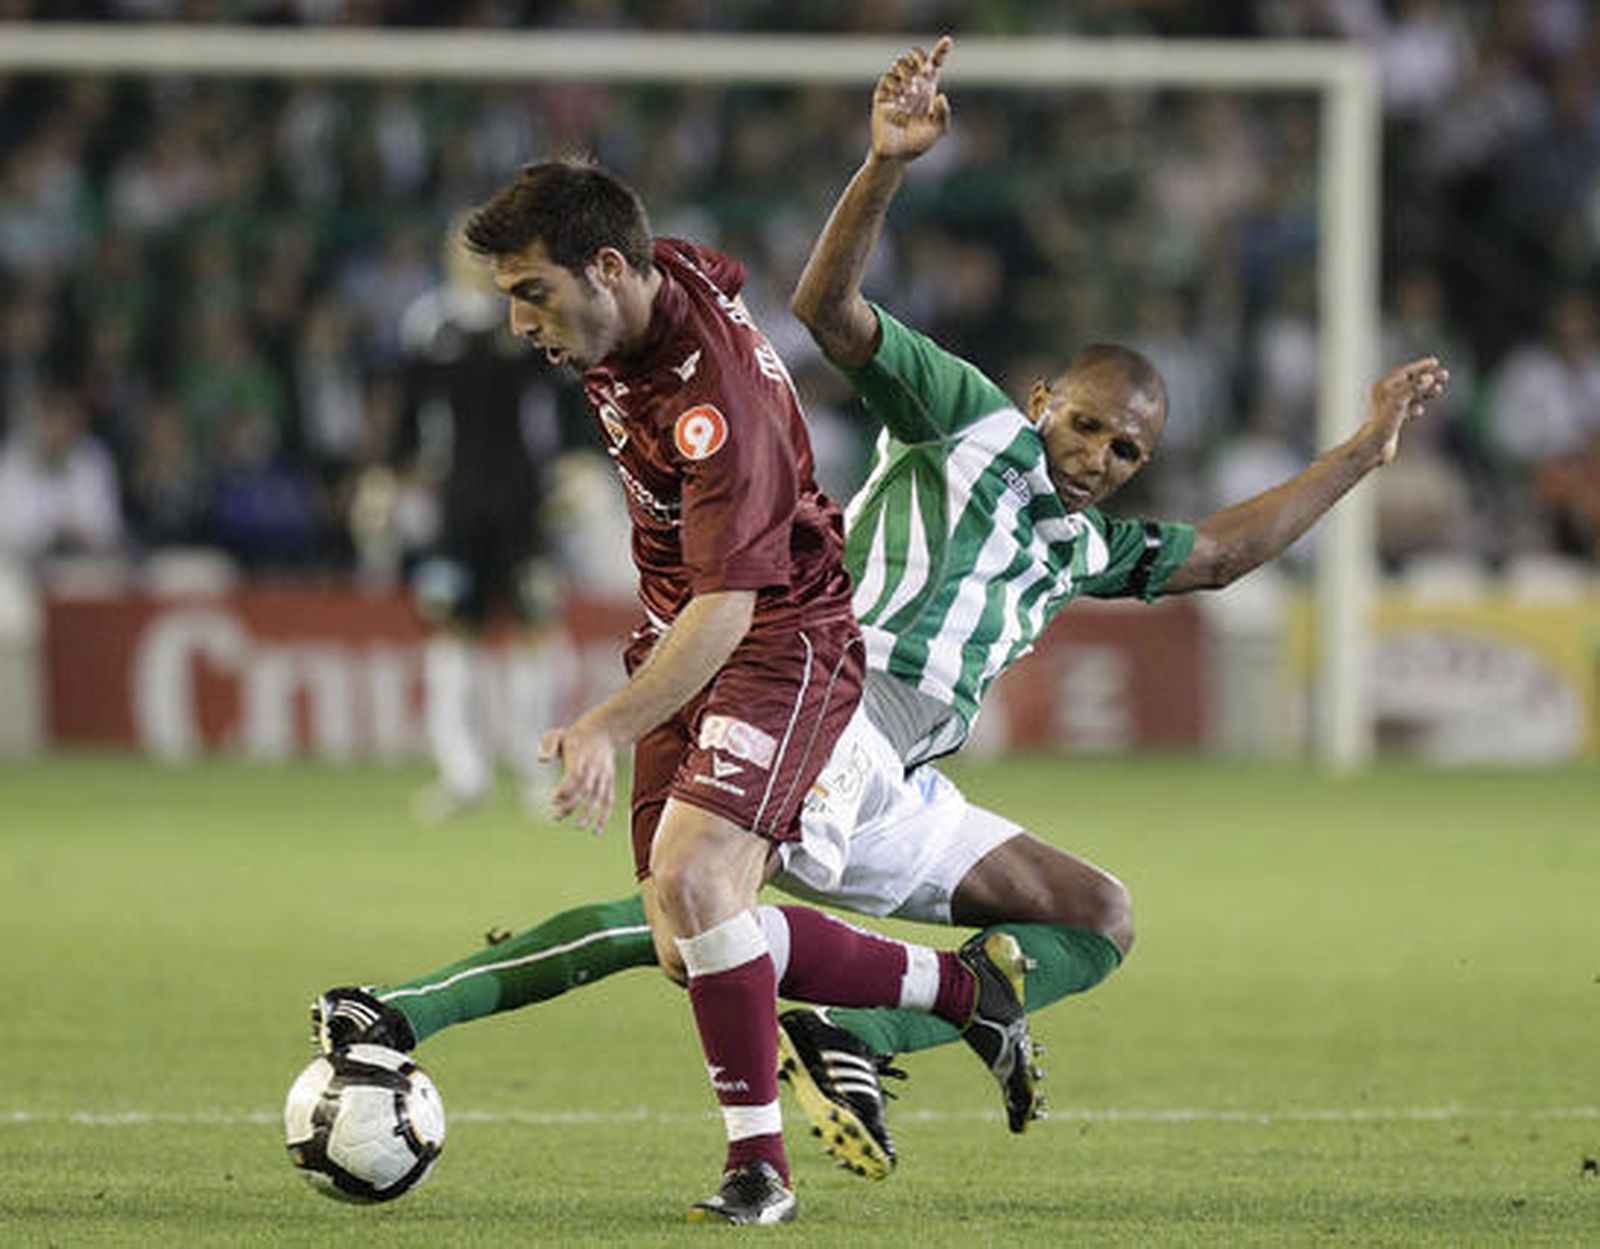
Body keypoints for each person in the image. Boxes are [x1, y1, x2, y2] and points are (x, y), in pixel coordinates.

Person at [313, 37, 1449, 1196]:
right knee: (696, 903)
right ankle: (444, 1013)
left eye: (1128, 449)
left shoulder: (1084, 547)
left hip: (893, 763)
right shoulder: (966, 421)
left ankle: (858, 1037)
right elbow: (827, 308)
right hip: (834, 688)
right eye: (1088, 423)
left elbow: (1219, 554)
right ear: (1043, 399)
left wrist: (1360, 453)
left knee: (1093, 914)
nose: (1100, 456)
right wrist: (883, 166)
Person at [317, 157, 1038, 1227]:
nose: (519, 324)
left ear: (606, 268)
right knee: (684, 934)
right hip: (687, 629)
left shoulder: (719, 408)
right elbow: (717, 266)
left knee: (700, 881)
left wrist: (607, 725)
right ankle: (970, 995)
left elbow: (730, 610)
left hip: (780, 643)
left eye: (532, 294)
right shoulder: (644, 299)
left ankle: (761, 1172)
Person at [389, 228, 572, 822]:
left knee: (532, 627)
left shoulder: (525, 321)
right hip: (457, 503)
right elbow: (410, 418)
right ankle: (461, 772)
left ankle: (531, 769)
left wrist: (574, 466)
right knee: (452, 630)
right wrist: (390, 476)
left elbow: (560, 403)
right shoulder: (429, 326)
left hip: (522, 501)